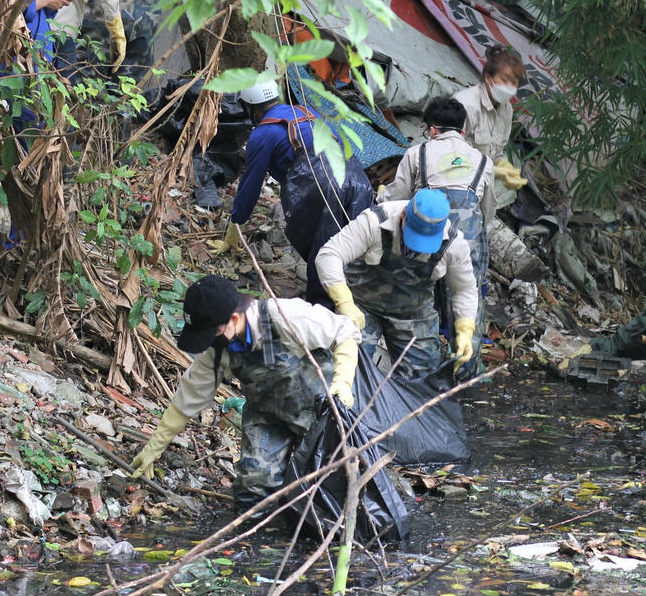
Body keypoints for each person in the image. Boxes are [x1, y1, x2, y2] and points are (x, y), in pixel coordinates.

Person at [129, 275, 360, 511]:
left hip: (323, 413)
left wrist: (342, 382)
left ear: (235, 319)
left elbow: (346, 332)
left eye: (212, 333)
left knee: (330, 489)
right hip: (268, 417)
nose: (209, 342)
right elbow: (188, 397)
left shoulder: (284, 316)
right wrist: (153, 448)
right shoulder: (218, 350)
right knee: (253, 489)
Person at [211, 80, 374, 305]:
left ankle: (323, 312)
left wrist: (235, 225)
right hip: (358, 177)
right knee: (353, 245)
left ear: (250, 107)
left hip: (323, 183)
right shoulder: (305, 112)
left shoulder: (263, 133)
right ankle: (357, 302)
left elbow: (251, 183)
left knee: (323, 248)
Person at [379, 97, 492, 379]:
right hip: (469, 243)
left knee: (420, 301)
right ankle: (464, 375)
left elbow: (396, 198)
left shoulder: (417, 154)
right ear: (463, 132)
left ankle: (419, 372)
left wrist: (380, 194)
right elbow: (488, 211)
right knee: (466, 305)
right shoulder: (484, 161)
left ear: (431, 130)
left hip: (425, 238)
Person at [316, 190, 478, 380]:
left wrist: (465, 328)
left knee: (422, 380)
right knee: (346, 368)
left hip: (413, 313)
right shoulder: (375, 221)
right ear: (403, 215)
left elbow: (464, 289)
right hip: (361, 306)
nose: (416, 247)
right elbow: (329, 255)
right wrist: (345, 303)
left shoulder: (453, 243)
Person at [454, 44, 529, 194]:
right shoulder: (465, 104)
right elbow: (453, 157)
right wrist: (493, 170)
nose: (509, 86)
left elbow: (496, 151)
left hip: (477, 186)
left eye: (513, 82)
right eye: (504, 79)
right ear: (488, 78)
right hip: (452, 181)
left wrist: (503, 165)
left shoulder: (506, 109)